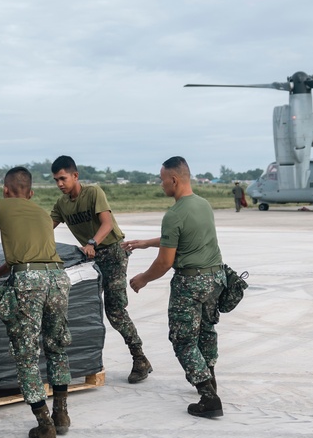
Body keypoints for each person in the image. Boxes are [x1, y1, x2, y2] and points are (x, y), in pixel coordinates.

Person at [0, 167, 71, 438]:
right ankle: (61, 414)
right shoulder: (41, 212)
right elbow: (33, 256)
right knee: (57, 346)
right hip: (57, 278)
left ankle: (44, 425)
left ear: (5, 190)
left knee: (26, 354)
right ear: (31, 193)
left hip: (29, 281)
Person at [128, 156, 226, 418]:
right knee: (206, 331)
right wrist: (145, 243)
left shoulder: (173, 214)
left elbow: (165, 262)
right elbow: (183, 237)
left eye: (162, 180)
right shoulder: (203, 205)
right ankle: (210, 378)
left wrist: (143, 279)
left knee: (183, 339)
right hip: (215, 279)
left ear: (173, 179)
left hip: (190, 282)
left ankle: (208, 396)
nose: (161, 185)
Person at [50, 155, 151, 383]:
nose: (59, 184)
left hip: (112, 253)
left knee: (115, 311)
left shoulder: (93, 193)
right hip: (90, 259)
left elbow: (106, 223)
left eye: (63, 178)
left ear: (75, 176)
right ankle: (80, 360)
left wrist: (92, 242)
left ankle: (140, 358)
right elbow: (48, 227)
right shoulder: (62, 204)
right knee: (80, 308)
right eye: (56, 180)